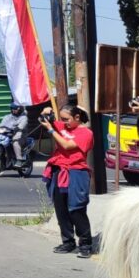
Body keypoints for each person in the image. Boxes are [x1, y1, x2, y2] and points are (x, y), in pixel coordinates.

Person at [41, 104, 94, 258]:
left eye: (67, 119)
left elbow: (67, 145)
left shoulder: (86, 133)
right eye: (61, 119)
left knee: (76, 209)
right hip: (59, 170)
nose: (63, 123)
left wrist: (51, 130)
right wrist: (47, 111)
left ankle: (85, 244)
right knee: (61, 209)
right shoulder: (63, 126)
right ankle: (68, 241)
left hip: (77, 172)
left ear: (77, 117)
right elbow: (44, 119)